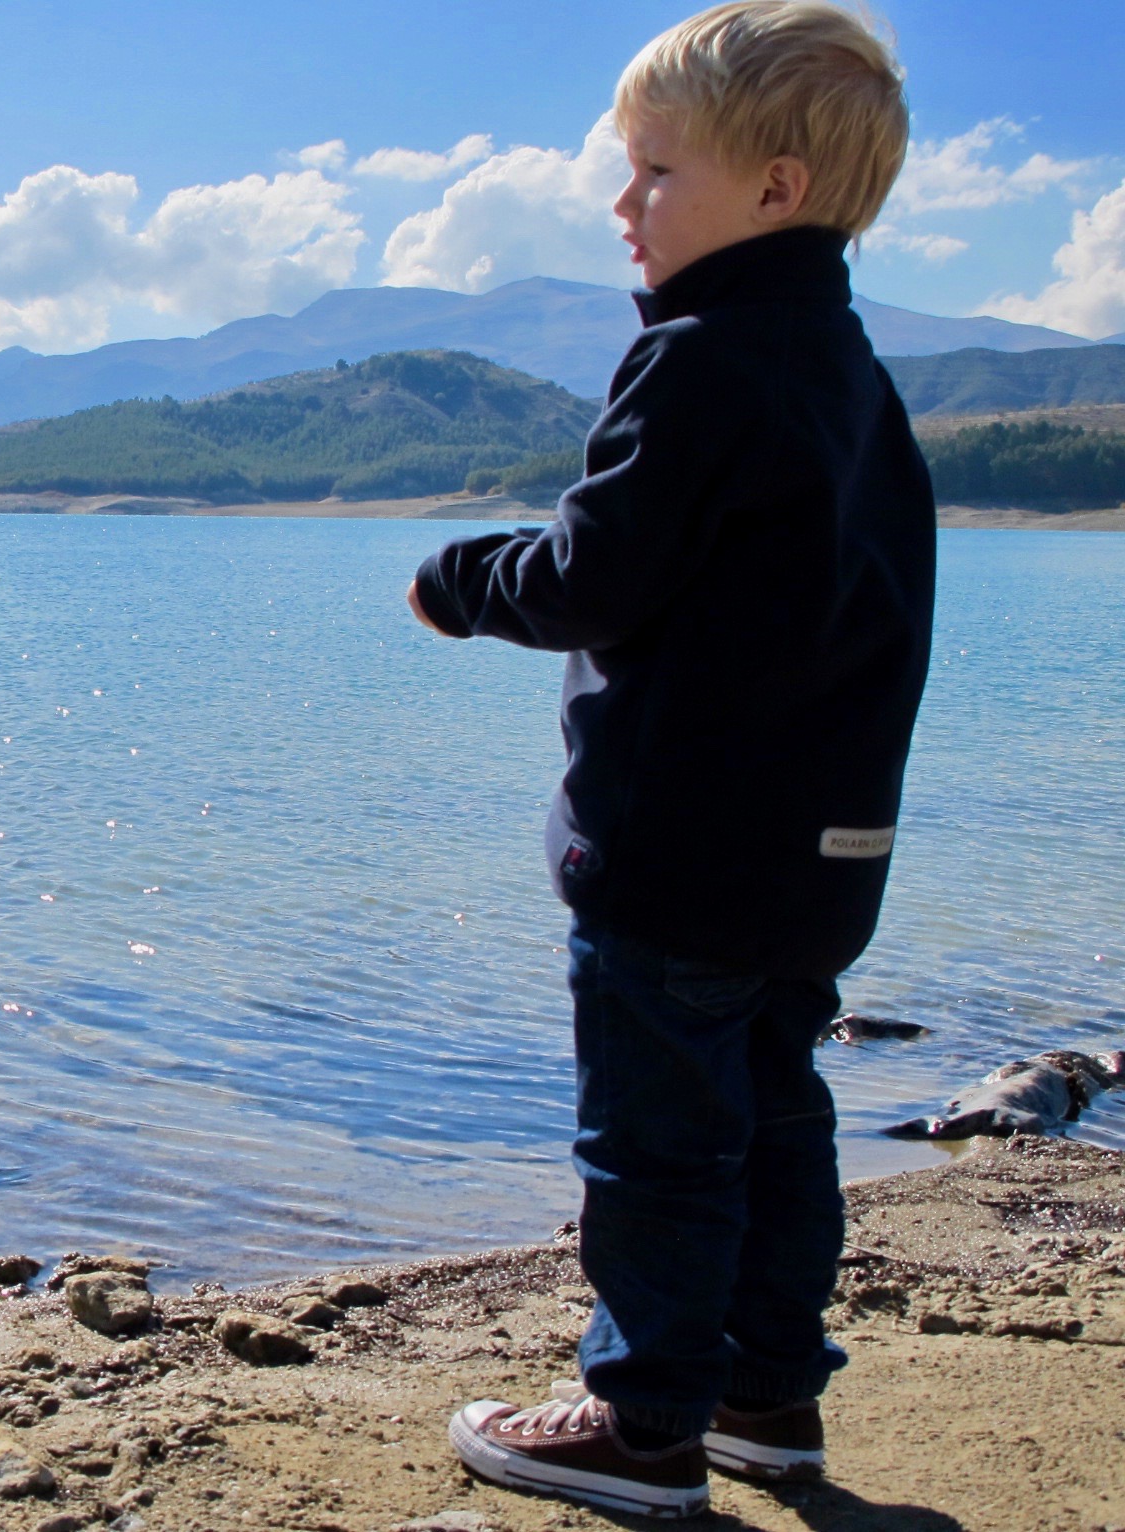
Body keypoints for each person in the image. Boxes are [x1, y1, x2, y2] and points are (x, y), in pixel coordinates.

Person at [407, 3, 934, 1517]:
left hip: (679, 852)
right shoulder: (854, 379)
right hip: (821, 858)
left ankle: (642, 1422)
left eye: (652, 174)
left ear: (771, 188)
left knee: (654, 1145)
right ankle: (769, 1404)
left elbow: (592, 573)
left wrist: (459, 580)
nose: (620, 204)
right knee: (777, 1121)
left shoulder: (698, 359)